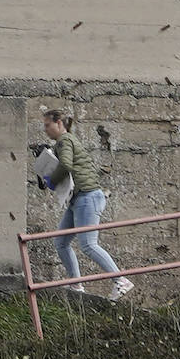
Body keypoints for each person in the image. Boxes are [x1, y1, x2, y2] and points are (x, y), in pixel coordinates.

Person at [43, 109, 133, 301]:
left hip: (87, 196)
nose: (45, 130)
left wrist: (51, 179)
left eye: (47, 125)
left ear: (59, 123)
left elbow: (66, 165)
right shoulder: (66, 141)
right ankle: (76, 283)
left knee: (89, 244)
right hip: (79, 198)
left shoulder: (64, 141)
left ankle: (121, 281)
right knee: (61, 241)